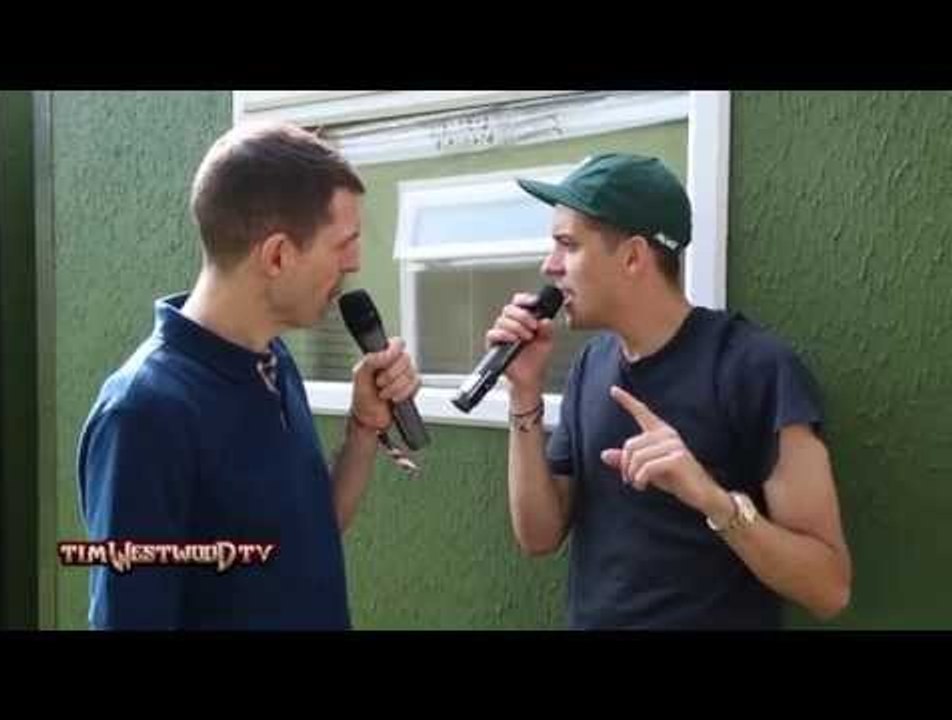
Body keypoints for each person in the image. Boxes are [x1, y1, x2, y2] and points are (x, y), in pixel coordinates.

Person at [76, 122, 421, 630]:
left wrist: (364, 428)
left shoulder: (274, 363)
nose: (355, 262)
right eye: (343, 244)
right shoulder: (144, 413)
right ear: (278, 255)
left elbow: (313, 534)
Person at [486, 153, 852, 629]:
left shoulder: (755, 369)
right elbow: (538, 537)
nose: (549, 265)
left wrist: (711, 500)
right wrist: (524, 393)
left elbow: (829, 588)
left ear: (634, 256)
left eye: (567, 245)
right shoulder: (590, 367)